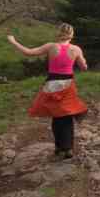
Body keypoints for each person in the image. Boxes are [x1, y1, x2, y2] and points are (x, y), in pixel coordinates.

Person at [7, 23, 88, 158]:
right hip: (68, 83)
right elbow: (84, 67)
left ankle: (58, 147)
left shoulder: (51, 46)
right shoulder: (76, 49)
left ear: (58, 33)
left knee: (56, 115)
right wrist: (83, 61)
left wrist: (13, 41)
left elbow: (28, 52)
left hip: (52, 84)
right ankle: (68, 148)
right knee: (67, 115)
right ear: (72, 34)